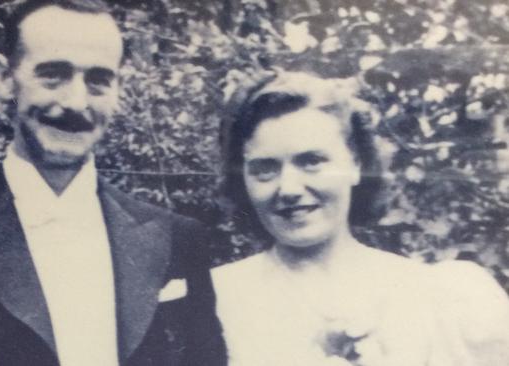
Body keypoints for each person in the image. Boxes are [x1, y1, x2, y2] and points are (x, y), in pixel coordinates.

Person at [0, 1, 225, 365]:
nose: (76, 102)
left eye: (98, 80)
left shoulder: (178, 239)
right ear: (4, 78)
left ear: (118, 91)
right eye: (53, 74)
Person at [212, 71, 509, 366]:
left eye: (312, 161)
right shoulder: (214, 301)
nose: (288, 188)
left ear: (355, 164)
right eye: (265, 168)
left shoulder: (441, 298)